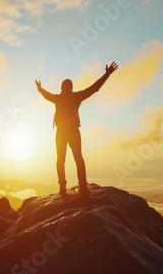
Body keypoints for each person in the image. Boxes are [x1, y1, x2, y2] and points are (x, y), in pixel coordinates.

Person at [35, 62, 118, 196]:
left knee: (62, 159)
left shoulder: (59, 98)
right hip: (72, 131)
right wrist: (107, 74)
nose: (66, 89)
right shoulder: (75, 96)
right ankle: (81, 187)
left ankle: (64, 188)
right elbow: (94, 88)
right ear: (69, 88)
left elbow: (47, 95)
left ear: (62, 88)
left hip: (62, 132)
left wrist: (40, 89)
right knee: (76, 158)